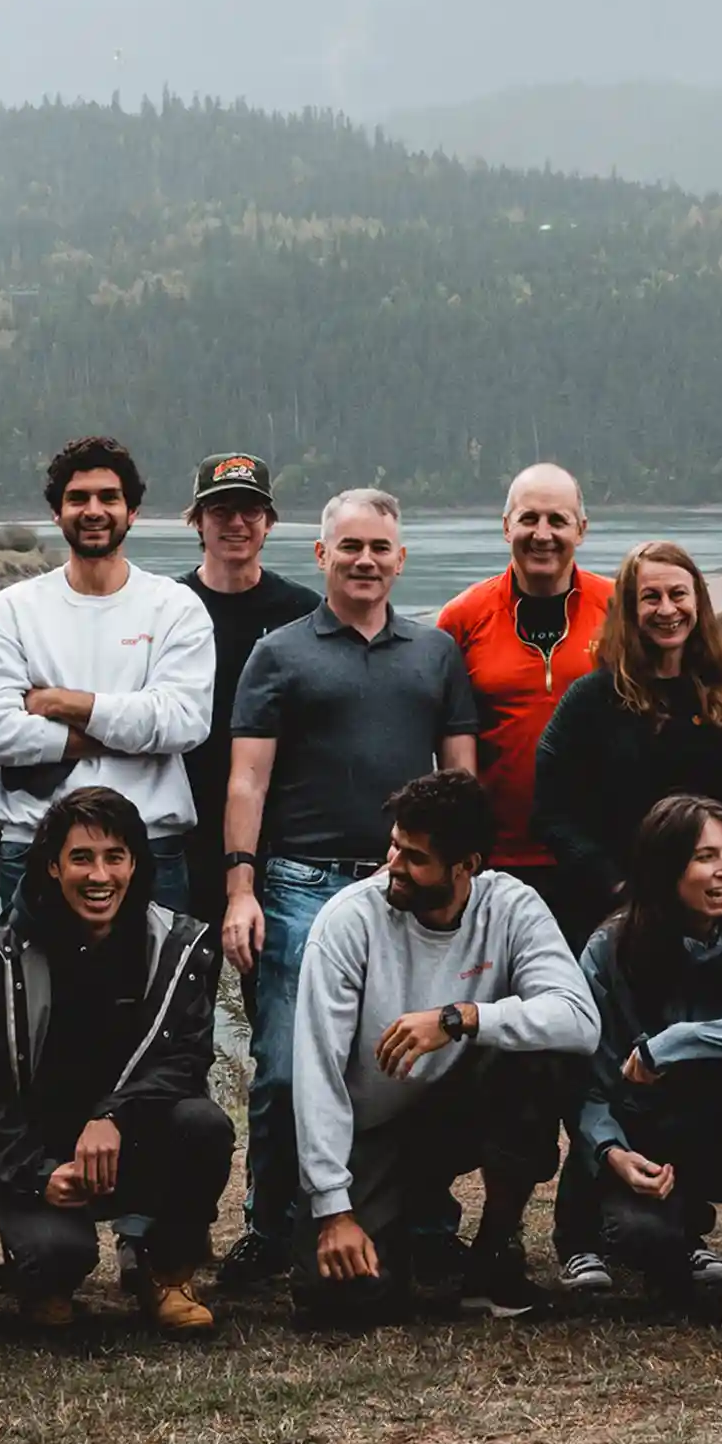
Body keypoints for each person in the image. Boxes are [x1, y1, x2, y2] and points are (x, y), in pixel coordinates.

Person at [217, 489, 482, 1287]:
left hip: (407, 885)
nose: (365, 560)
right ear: (321, 556)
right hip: (300, 883)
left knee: (409, 1059)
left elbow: (462, 775)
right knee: (287, 1068)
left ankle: (427, 1221)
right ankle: (271, 1225)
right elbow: (247, 782)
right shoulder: (280, 653)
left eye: (380, 548)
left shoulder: (434, 654)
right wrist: (241, 889)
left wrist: (465, 878)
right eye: (350, 547)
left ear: (401, 559)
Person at [292, 771, 600, 1323]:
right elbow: (317, 1074)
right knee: (341, 1301)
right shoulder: (347, 922)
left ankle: (492, 1259)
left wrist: (461, 1018)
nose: (395, 866)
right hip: (372, 1130)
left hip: (460, 1111)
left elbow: (578, 1020)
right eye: (394, 845)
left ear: (467, 867)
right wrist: (333, 1210)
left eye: (415, 858)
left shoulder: (510, 907)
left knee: (540, 1058)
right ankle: (404, 1241)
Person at [0, 787, 233, 1331]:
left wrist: (112, 1114)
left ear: (135, 863)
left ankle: (167, 1271)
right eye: (81, 858)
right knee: (56, 1267)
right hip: (44, 1156)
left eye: (115, 857)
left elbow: (185, 1060)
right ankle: (39, 1270)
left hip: (133, 1138)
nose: (99, 875)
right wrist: (38, 1174)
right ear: (53, 867)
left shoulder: (178, 945)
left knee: (204, 1124)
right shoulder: (2, 957)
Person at [570, 795, 722, 1327]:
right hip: (646, 1134)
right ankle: (654, 1231)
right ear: (663, 866)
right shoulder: (609, 949)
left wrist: (680, 1040)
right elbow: (587, 1080)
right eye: (705, 857)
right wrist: (609, 1150)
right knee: (647, 1245)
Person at [0, 435, 218, 914]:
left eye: (109, 497)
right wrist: (120, 732)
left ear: (132, 512)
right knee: (30, 990)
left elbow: (183, 721)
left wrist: (60, 703)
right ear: (57, 513)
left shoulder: (175, 607)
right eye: (78, 498)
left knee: (155, 989)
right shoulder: (16, 608)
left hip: (149, 845)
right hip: (33, 843)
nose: (93, 509)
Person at [532, 542, 722, 912]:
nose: (667, 609)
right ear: (630, 610)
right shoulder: (592, 699)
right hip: (620, 909)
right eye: (651, 597)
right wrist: (611, 883)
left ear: (697, 601)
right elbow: (551, 809)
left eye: (678, 594)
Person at [435, 461, 616, 942]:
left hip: (601, 855)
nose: (542, 534)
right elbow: (440, 737)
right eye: (529, 519)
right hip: (495, 860)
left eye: (557, 520)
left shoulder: (619, 609)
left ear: (582, 529)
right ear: (506, 526)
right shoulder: (462, 618)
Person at [175, 452, 320, 916]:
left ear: (269, 522)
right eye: (220, 511)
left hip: (281, 830)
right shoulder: (166, 607)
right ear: (197, 521)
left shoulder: (304, 610)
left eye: (250, 510)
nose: (236, 523)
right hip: (184, 822)